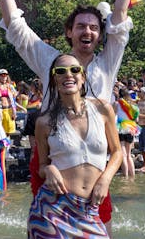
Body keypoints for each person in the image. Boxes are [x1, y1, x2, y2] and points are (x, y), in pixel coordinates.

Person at [0, 0, 145, 233]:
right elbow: (15, 26)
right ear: (69, 32)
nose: (87, 30)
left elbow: (120, 11)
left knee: (102, 228)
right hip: (53, 156)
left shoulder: (106, 63)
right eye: (80, 26)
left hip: (96, 160)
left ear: (100, 35)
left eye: (94, 27)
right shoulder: (50, 60)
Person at [28, 54, 122, 237]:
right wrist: (47, 170)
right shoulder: (44, 122)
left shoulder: (103, 109)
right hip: (53, 210)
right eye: (61, 71)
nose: (68, 75)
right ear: (54, 80)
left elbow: (117, 151)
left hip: (90, 209)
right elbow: (41, 166)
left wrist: (105, 180)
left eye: (74, 69)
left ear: (83, 76)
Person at [115, 87, 139, 178]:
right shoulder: (133, 105)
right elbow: (136, 119)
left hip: (120, 128)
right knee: (129, 155)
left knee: (123, 155)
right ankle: (132, 176)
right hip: (131, 129)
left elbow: (113, 116)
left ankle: (125, 176)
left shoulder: (117, 104)